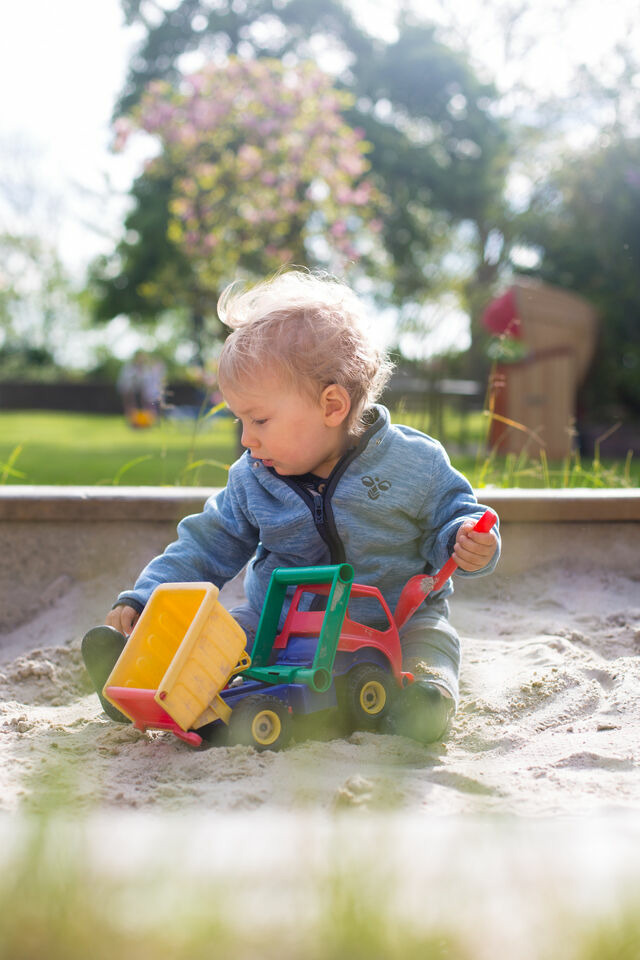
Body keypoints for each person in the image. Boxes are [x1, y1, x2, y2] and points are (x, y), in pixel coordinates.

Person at [98, 270, 500, 743]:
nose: (247, 439)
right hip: (281, 625)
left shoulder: (415, 462)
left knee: (431, 646)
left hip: (393, 622)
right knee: (221, 641)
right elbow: (205, 544)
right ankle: (139, 682)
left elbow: (455, 516)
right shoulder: (254, 477)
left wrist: (467, 539)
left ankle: (425, 702)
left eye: (259, 419)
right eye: (240, 421)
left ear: (332, 406)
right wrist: (145, 596)